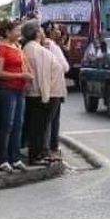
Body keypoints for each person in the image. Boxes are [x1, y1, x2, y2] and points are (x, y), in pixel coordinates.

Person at [0, 19, 33, 173]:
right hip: (7, 90)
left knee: (18, 124)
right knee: (7, 124)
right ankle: (2, 158)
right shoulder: (1, 48)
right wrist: (20, 75)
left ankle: (15, 157)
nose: (19, 33)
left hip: (19, 89)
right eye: (16, 30)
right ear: (7, 32)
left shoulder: (17, 46)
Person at [22, 21, 58, 166]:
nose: (43, 32)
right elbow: (42, 75)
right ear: (37, 33)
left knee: (38, 126)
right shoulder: (35, 49)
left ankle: (38, 154)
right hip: (38, 94)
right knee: (37, 127)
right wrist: (46, 96)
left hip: (37, 93)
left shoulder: (32, 48)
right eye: (41, 30)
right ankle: (36, 155)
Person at [42, 23, 69, 162]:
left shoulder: (44, 45)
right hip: (54, 87)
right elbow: (65, 67)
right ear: (50, 31)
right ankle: (51, 148)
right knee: (51, 120)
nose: (60, 31)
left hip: (48, 87)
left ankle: (49, 147)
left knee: (49, 119)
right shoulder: (52, 46)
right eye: (57, 28)